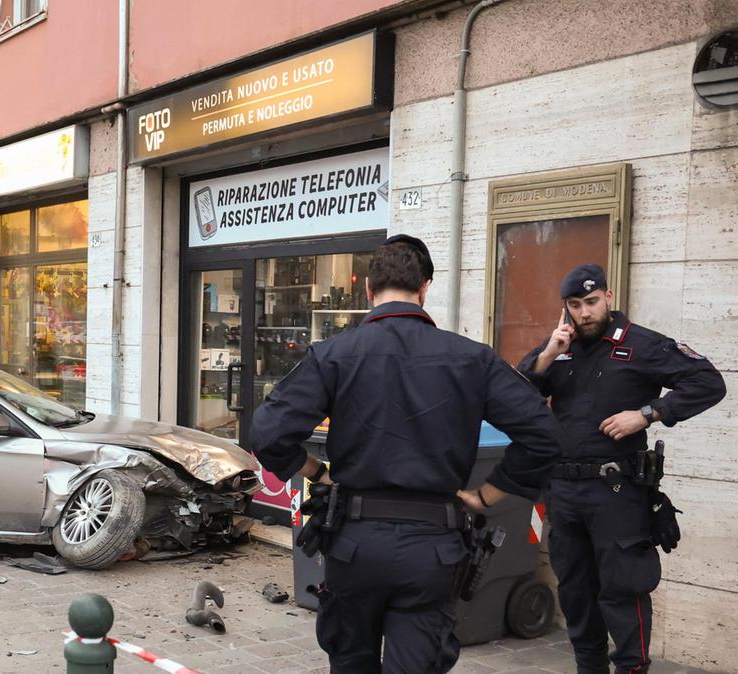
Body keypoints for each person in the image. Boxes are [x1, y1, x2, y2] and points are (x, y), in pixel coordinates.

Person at [251, 235, 565, 673]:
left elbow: (267, 434)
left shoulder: (334, 354)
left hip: (354, 545)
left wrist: (317, 472)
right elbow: (543, 434)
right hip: (432, 548)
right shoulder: (471, 358)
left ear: (367, 290)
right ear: (425, 288)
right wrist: (488, 495)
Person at [517, 264, 725, 674]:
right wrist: (547, 354)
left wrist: (649, 413)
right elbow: (515, 395)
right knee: (575, 594)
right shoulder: (561, 348)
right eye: (575, 305)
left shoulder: (642, 345)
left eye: (592, 302)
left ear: (609, 298)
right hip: (564, 492)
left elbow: (708, 382)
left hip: (616, 492)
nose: (584, 312)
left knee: (623, 591)